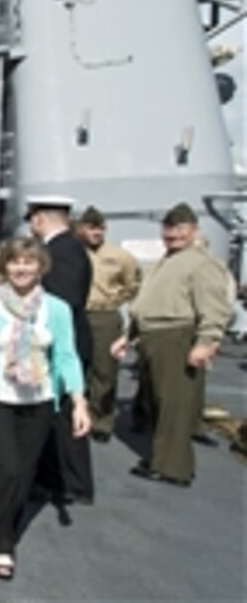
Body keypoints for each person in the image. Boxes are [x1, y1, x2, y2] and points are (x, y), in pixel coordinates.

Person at [0, 237, 90, 580]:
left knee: (24, 473)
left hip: (38, 400)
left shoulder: (57, 309)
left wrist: (79, 402)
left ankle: (5, 525)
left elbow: (66, 356)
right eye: (14, 261)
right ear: (4, 266)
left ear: (41, 267)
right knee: (7, 466)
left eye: (29, 261)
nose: (21, 268)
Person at [111, 203, 232, 487]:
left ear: (193, 231)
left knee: (173, 405)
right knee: (159, 402)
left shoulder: (201, 263)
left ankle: (173, 468)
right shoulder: (166, 261)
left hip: (175, 336)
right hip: (153, 336)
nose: (173, 234)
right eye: (168, 228)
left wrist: (206, 342)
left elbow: (214, 307)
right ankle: (162, 457)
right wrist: (127, 337)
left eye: (180, 229)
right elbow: (145, 304)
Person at [26, 195, 95, 504]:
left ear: (39, 219)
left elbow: (64, 305)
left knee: (65, 418)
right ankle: (55, 478)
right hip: (55, 346)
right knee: (54, 416)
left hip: (60, 348)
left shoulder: (62, 252)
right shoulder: (67, 248)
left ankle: (73, 484)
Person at [76, 206, 139, 442]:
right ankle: (78, 413)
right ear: (81, 229)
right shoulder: (74, 253)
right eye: (91, 228)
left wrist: (115, 300)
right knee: (77, 367)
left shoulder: (120, 256)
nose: (96, 232)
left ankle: (102, 421)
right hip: (79, 313)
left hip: (104, 315)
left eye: (100, 228)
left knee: (105, 370)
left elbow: (133, 284)